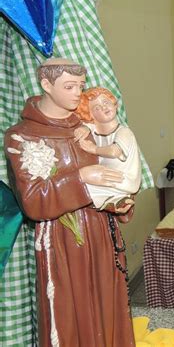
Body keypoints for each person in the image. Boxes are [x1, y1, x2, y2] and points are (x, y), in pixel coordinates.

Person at [3, 58, 136, 345]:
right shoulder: (22, 136)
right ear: (46, 85)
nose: (78, 93)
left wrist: (119, 203)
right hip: (62, 241)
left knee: (107, 308)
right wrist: (81, 178)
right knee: (70, 315)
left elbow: (113, 171)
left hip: (101, 232)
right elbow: (33, 202)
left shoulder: (89, 128)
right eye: (69, 86)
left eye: (80, 85)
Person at [75, 87, 141, 210]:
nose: (104, 107)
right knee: (79, 188)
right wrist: (85, 128)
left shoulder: (124, 132)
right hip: (107, 178)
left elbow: (114, 151)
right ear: (91, 116)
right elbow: (90, 126)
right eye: (97, 108)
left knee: (80, 188)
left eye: (106, 102)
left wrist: (93, 149)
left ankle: (118, 199)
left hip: (123, 180)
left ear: (115, 105)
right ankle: (114, 201)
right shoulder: (96, 131)